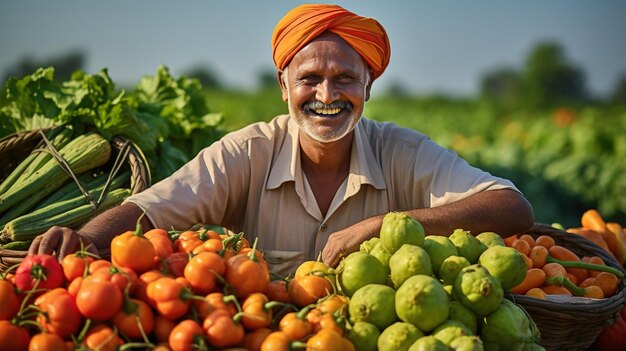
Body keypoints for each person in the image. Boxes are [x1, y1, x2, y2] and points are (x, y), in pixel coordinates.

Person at [29, 4, 534, 276]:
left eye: (345, 79)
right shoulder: (246, 152)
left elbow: (512, 207)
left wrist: (388, 224)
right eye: (310, 78)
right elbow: (154, 209)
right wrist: (90, 238)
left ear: (369, 87)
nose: (327, 95)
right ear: (283, 85)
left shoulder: (402, 151)